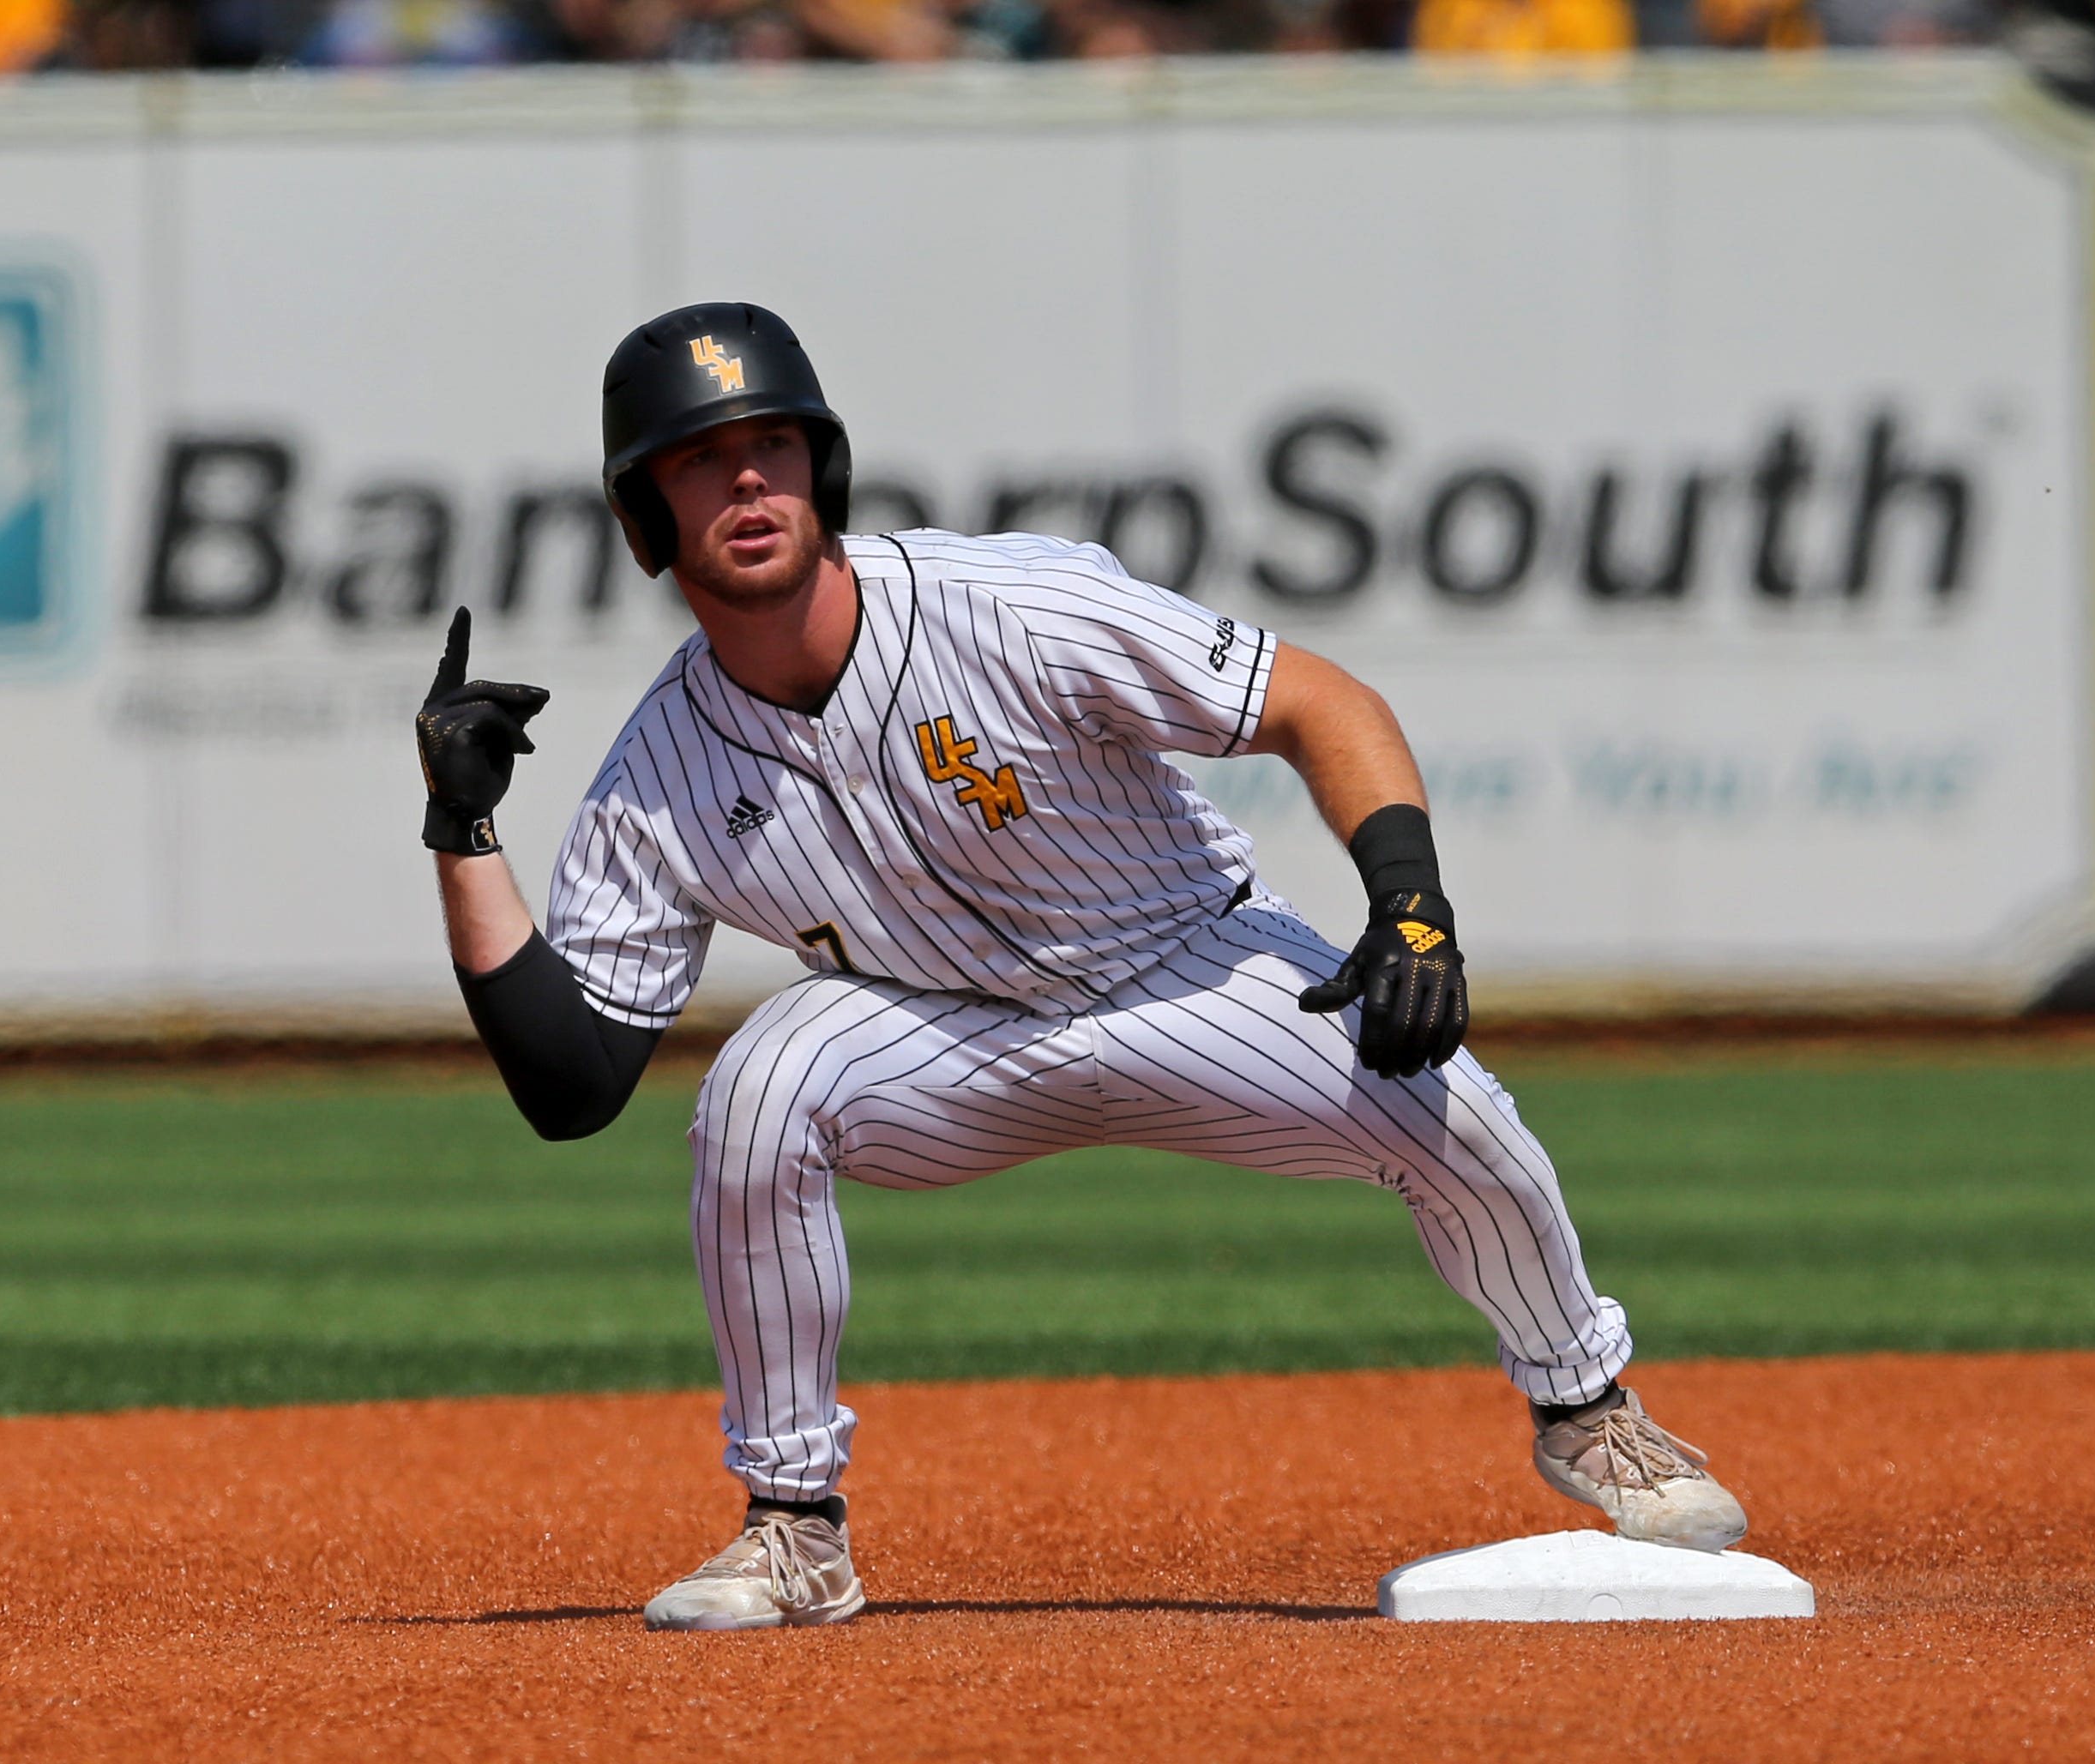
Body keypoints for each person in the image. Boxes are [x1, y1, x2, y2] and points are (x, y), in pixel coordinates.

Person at [416, 301, 1749, 1632]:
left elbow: (1317, 703)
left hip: (1191, 966)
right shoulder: (664, 765)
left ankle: (1590, 1412)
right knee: (762, 1083)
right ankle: (792, 1526)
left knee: (1450, 1107)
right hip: (945, 1034)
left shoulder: (1005, 603)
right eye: (700, 459)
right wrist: (465, 830)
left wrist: (1410, 906)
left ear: (824, 468)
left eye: (772, 443)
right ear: (645, 514)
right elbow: (573, 1080)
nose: (747, 479)